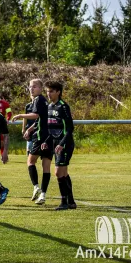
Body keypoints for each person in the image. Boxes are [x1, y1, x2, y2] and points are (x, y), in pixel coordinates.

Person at [11, 79, 51, 206]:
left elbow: (36, 115)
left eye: (34, 86)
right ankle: (43, 195)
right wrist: (29, 128)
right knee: (46, 166)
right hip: (49, 136)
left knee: (30, 161)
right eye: (30, 87)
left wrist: (20, 115)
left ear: (40, 88)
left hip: (40, 137)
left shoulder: (39, 99)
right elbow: (41, 119)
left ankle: (36, 186)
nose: (31, 89)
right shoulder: (43, 101)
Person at [44, 81, 76, 210]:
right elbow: (51, 128)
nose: (48, 93)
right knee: (63, 173)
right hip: (55, 143)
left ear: (58, 92)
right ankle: (71, 202)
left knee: (58, 172)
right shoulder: (49, 106)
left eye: (51, 91)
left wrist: (62, 144)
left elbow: (70, 128)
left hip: (65, 144)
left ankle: (64, 203)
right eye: (47, 91)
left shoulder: (63, 106)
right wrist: (46, 141)